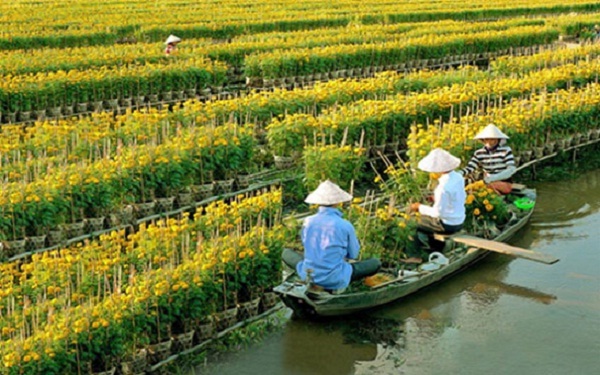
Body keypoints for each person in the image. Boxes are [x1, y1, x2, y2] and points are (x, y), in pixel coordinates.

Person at [282, 180, 381, 294]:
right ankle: (335, 287)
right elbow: (353, 254)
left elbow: (306, 245)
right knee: (375, 263)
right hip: (335, 278)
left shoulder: (307, 221)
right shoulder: (345, 225)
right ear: (337, 203)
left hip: (309, 273)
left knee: (286, 253)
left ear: (317, 202)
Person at [407, 148, 466, 261]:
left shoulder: (442, 188)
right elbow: (455, 198)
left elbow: (437, 213)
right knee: (426, 221)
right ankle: (436, 249)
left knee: (411, 224)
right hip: (459, 220)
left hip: (448, 225)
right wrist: (435, 199)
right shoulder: (458, 177)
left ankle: (414, 256)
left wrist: (419, 207)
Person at [460, 123, 516, 195]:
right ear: (483, 140)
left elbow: (511, 169)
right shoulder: (479, 153)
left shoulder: (505, 150)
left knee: (484, 186)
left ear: (497, 140)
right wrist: (459, 173)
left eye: (492, 139)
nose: (489, 141)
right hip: (487, 182)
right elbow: (470, 168)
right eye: (486, 139)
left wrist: (493, 177)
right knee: (471, 188)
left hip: (503, 182)